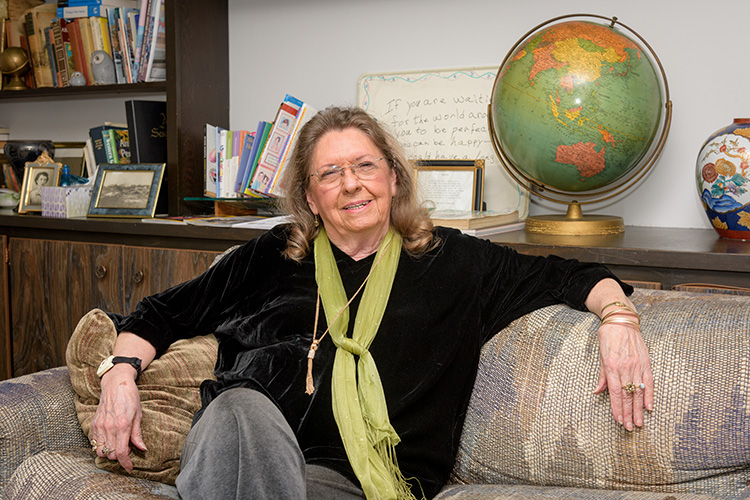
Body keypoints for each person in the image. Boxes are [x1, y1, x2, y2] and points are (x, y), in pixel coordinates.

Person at [90, 106, 652, 500]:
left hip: (352, 481)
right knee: (239, 409)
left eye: (364, 166)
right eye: (330, 174)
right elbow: (162, 313)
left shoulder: (453, 262)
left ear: (393, 178)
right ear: (310, 197)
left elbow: (569, 274)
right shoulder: (272, 255)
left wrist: (618, 318)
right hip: (237, 450)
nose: (351, 184)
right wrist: (119, 375)